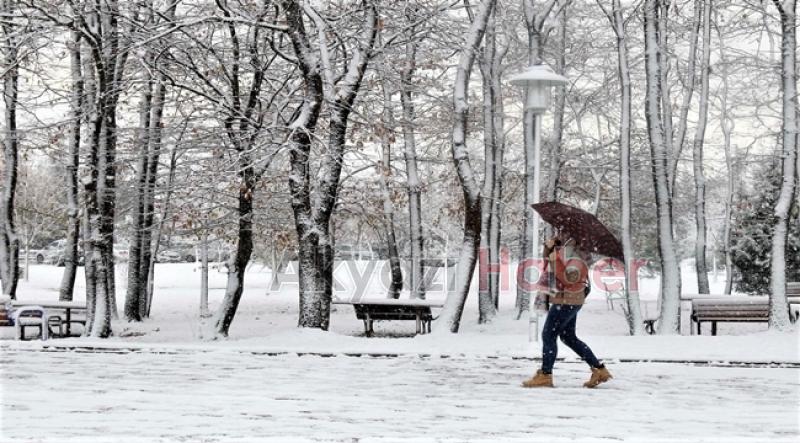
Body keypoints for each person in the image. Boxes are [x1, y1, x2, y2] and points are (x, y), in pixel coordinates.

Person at [521, 230, 612, 388]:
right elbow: (549, 265)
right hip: (567, 299)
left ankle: (545, 375)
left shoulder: (578, 255)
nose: (559, 234)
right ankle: (599, 370)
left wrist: (554, 257)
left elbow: (566, 278)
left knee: (548, 335)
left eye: (562, 233)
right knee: (568, 337)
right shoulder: (566, 251)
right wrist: (549, 249)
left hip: (566, 300)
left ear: (571, 237)